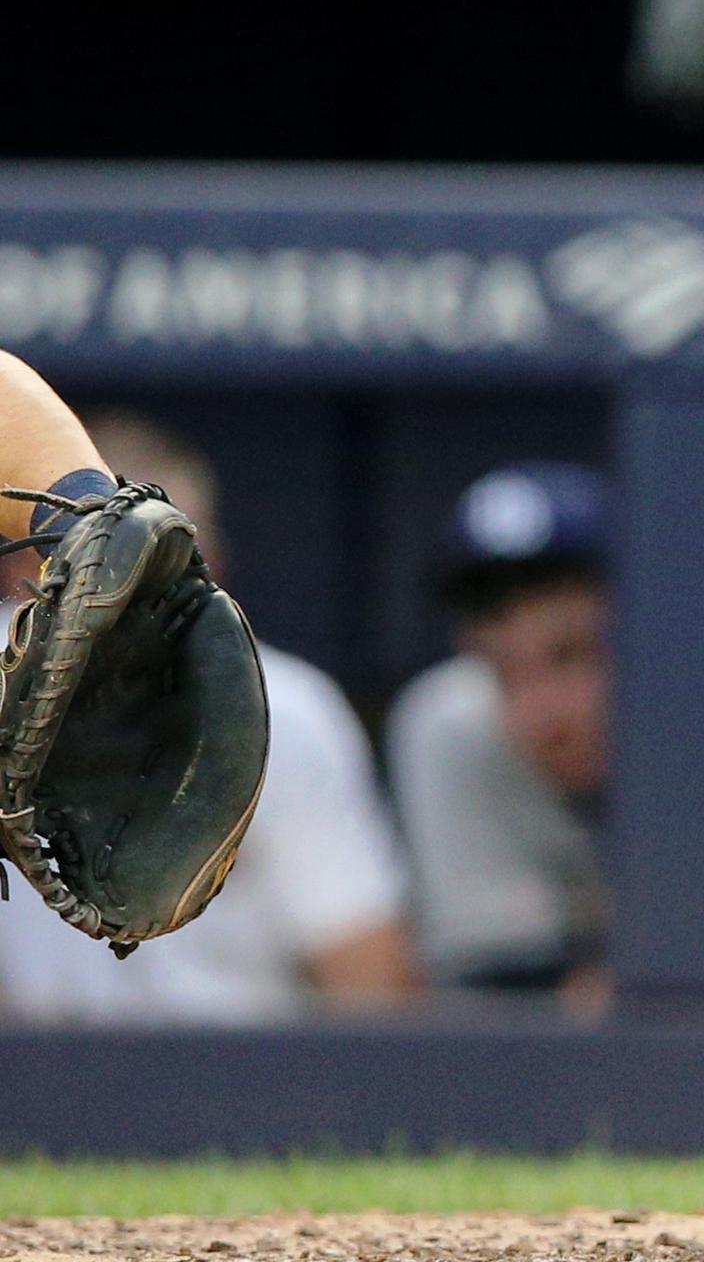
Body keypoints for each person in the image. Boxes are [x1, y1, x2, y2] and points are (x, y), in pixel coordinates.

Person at [0, 413, 421, 1026]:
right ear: (30, 575)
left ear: (209, 564)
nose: (123, 592)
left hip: (244, 1084)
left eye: (155, 561)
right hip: (31, 1085)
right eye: (97, 563)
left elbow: (370, 989)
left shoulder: (286, 707)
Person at [387, 463, 615, 1006]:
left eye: (574, 654)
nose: (540, 714)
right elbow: (502, 1012)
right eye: (502, 668)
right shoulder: (459, 726)